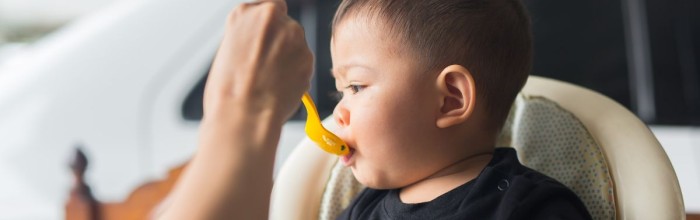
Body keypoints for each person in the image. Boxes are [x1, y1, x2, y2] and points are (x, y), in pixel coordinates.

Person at [159, 0, 592, 219]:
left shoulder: (530, 207)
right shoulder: (360, 209)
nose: (340, 113)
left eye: (357, 86)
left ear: (451, 99)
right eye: (339, 92)